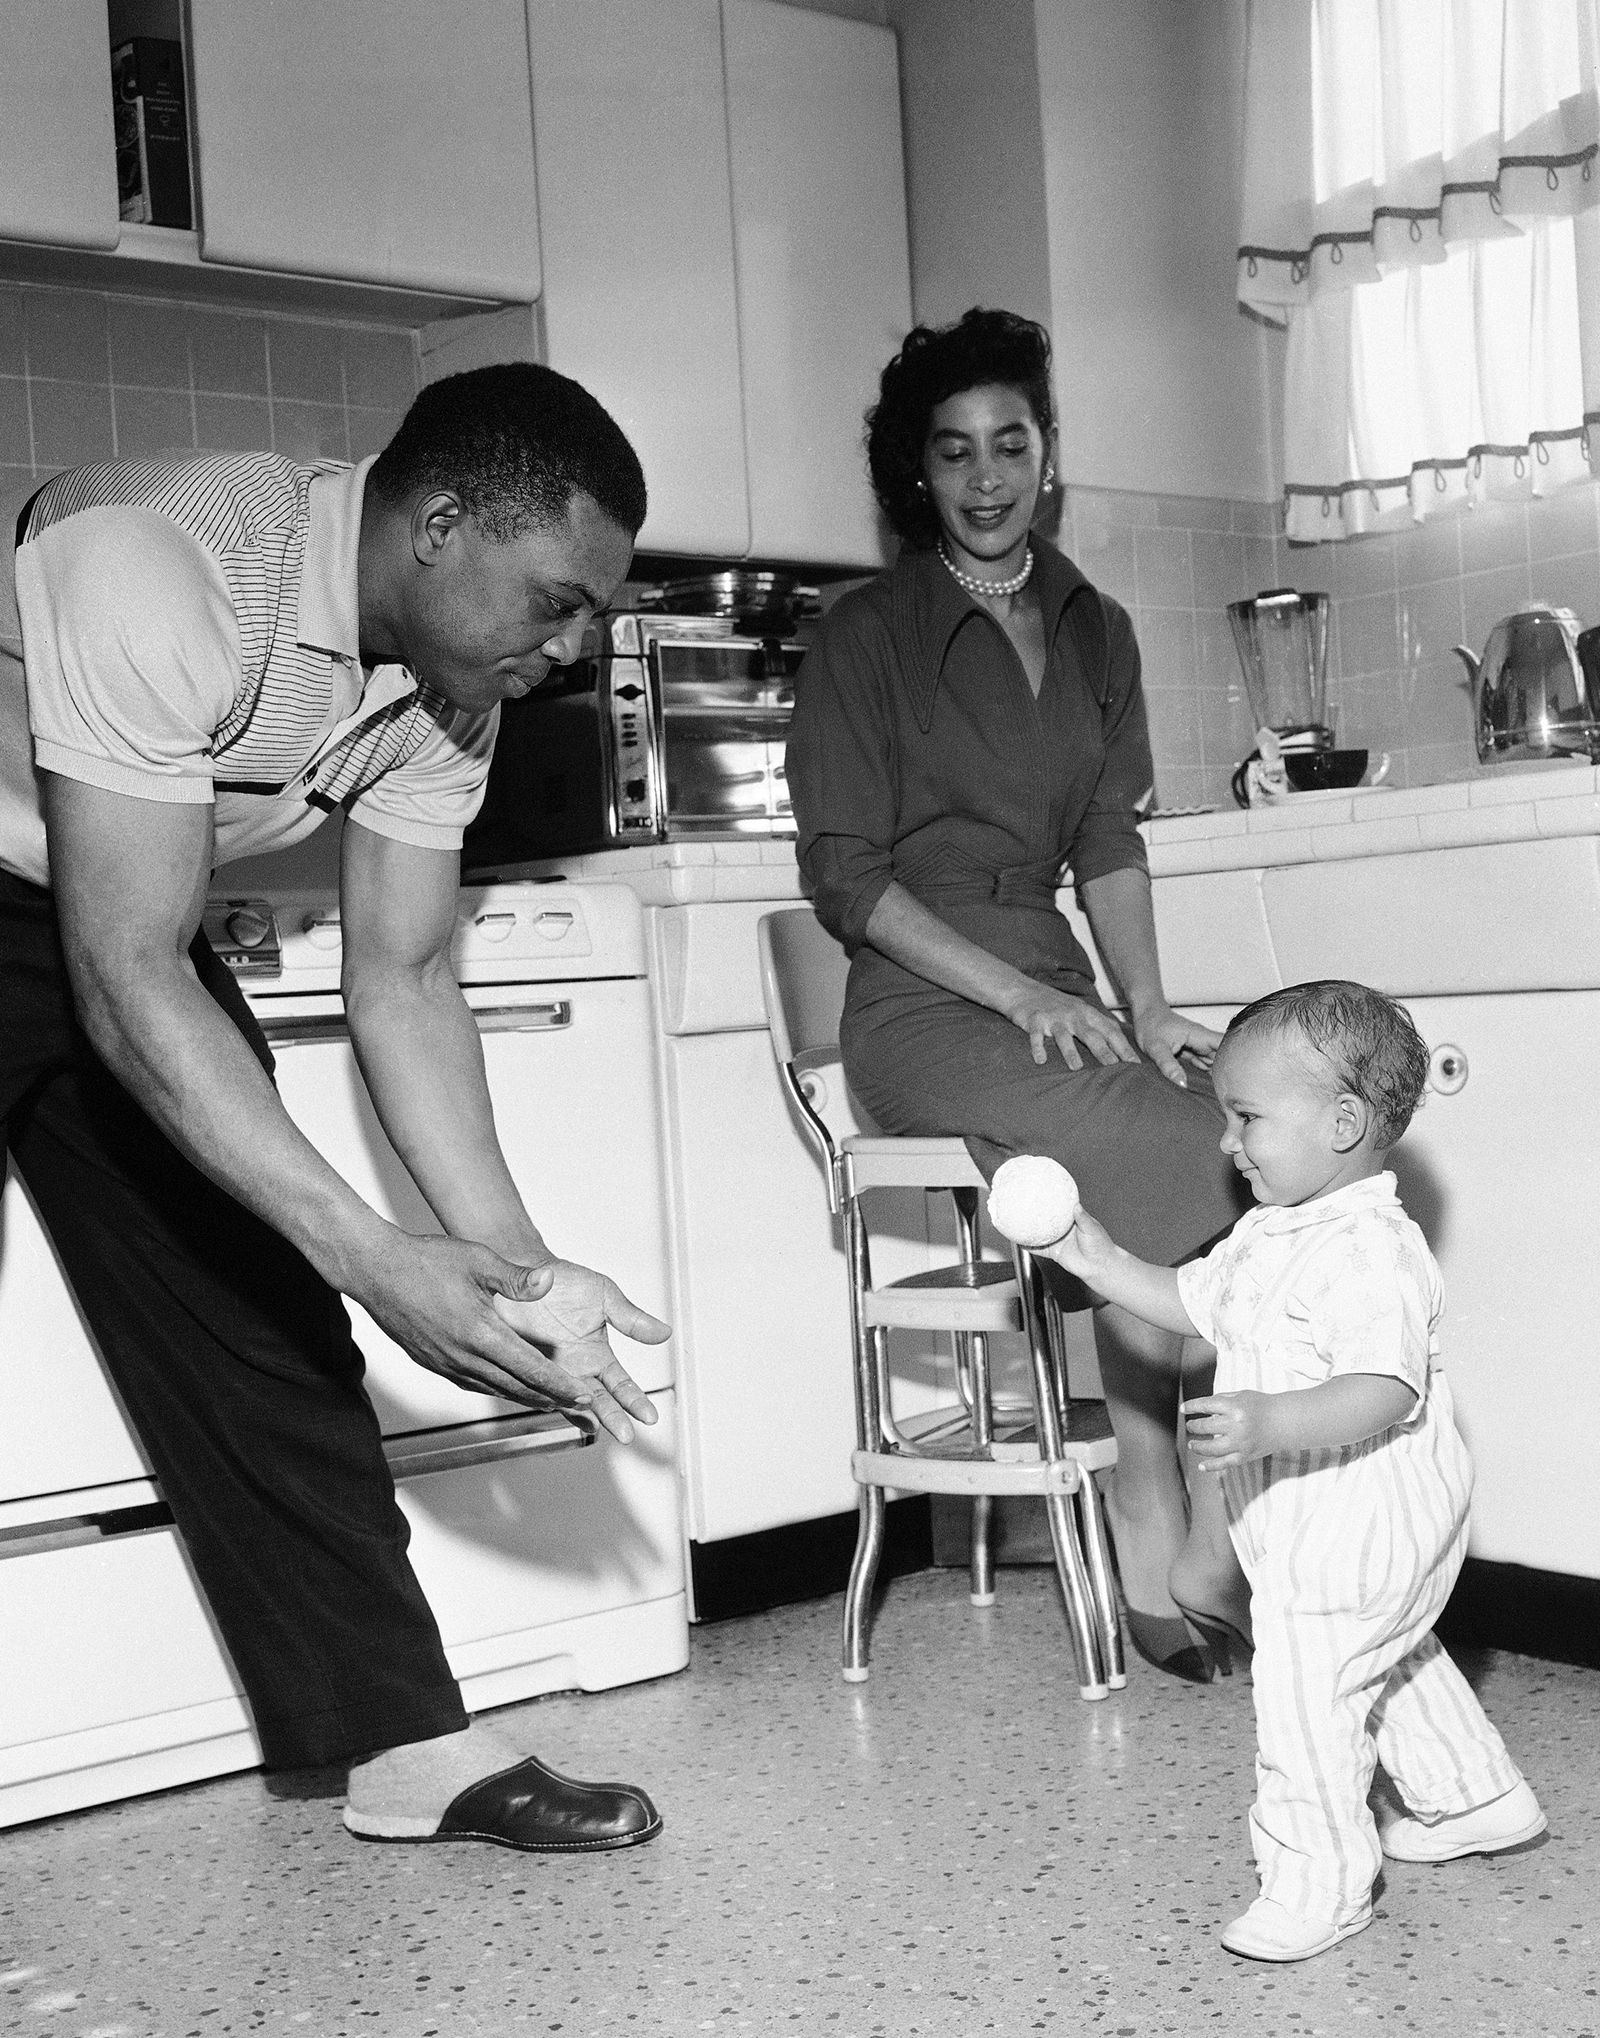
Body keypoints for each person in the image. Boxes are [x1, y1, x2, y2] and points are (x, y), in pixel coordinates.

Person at [0, 363, 671, 1853]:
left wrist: (519, 1273)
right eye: (557, 602)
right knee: (319, 1248)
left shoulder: (448, 683)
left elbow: (410, 976)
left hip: (114, 907)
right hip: (94, 922)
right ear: (438, 525)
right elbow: (122, 977)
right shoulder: (160, 561)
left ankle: (399, 1743)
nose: (569, 649)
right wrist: (371, 1250)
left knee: (261, 1307)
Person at [785, 307, 1250, 1681]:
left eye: (1012, 444)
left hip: (1059, 986)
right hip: (925, 1009)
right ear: (913, 475)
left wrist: (1149, 1004)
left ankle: (1164, 1489)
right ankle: (1182, 1515)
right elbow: (846, 878)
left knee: (1248, 1116)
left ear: (1049, 456)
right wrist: (1018, 993)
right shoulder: (864, 634)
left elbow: (1107, 837)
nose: (986, 478)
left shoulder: (1096, 627)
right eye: (953, 453)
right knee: (1187, 1150)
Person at [1034, 980, 1544, 1962]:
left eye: (1247, 1117)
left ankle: (1315, 1881)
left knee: (1308, 1690)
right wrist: (1096, 1259)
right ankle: (1474, 1796)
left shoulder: (1368, 1249)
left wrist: (1272, 1418)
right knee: (1379, 1649)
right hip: (1318, 1522)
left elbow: (1382, 1389)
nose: (1227, 1140)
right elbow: (1190, 1301)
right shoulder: (1273, 1228)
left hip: (1364, 1516)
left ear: (1342, 1122)